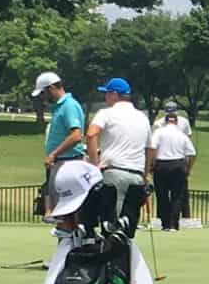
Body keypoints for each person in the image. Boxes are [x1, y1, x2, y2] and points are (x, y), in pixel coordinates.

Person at [86, 77, 152, 216]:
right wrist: (145, 175)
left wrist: (94, 166)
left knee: (110, 223)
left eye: (107, 93)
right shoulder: (143, 117)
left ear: (114, 95)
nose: (105, 97)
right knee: (128, 224)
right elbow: (149, 149)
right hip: (137, 176)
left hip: (113, 173)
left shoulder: (105, 113)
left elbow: (91, 135)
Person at [33, 71, 88, 216]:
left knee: (67, 211)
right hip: (60, 162)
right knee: (59, 212)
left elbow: (76, 136)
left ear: (51, 88)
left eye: (43, 93)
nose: (42, 97)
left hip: (68, 162)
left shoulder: (69, 105)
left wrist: (54, 155)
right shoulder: (59, 107)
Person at [146, 113, 196, 231]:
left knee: (162, 196)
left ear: (165, 121)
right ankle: (174, 224)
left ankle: (166, 224)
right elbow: (192, 154)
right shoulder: (182, 135)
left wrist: (151, 164)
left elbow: (152, 148)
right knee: (177, 196)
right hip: (178, 165)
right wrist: (188, 169)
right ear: (177, 122)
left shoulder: (159, 132)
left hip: (161, 165)